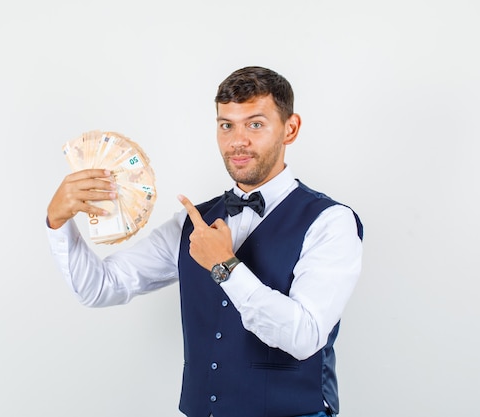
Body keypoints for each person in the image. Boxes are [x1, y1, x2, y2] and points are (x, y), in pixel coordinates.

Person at [46, 66, 363, 417]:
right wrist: (58, 222)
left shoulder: (330, 221)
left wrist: (225, 267)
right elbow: (100, 287)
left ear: (290, 128)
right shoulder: (190, 221)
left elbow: (304, 337)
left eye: (255, 124)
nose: (237, 140)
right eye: (226, 125)